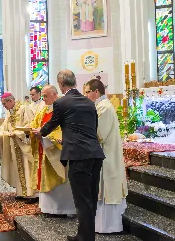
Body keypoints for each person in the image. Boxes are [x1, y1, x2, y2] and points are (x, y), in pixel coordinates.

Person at [33, 70, 105, 241]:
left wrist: (40, 132)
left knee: (81, 200)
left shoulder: (62, 102)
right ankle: (86, 235)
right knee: (91, 198)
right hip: (95, 155)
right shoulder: (89, 102)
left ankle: (85, 238)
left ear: (61, 84)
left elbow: (52, 123)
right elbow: (93, 128)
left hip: (78, 156)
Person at [85, 79, 128, 233]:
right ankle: (100, 225)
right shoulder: (99, 106)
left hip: (106, 156)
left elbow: (99, 134)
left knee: (106, 189)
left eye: (87, 91)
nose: (86, 95)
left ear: (96, 92)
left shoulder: (104, 107)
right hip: (102, 154)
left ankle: (108, 226)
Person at [30, 85, 76, 216]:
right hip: (44, 150)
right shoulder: (43, 110)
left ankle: (62, 209)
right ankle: (47, 208)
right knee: (44, 178)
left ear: (55, 94)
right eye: (43, 96)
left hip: (57, 151)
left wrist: (46, 137)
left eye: (45, 96)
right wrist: (33, 132)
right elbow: (35, 125)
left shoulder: (63, 108)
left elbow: (63, 131)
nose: (43, 99)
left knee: (61, 182)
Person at [0, 93, 36, 203]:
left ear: (10, 100)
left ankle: (33, 194)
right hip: (15, 145)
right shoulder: (10, 113)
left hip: (24, 145)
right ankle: (22, 192)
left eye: (4, 104)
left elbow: (30, 125)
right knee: (18, 168)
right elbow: (4, 127)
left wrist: (17, 133)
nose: (4, 106)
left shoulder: (24, 109)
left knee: (27, 168)